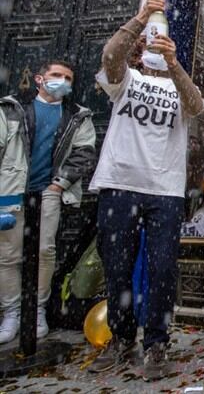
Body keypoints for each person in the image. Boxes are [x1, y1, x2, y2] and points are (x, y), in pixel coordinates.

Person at [87, 0, 204, 381]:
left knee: (162, 270)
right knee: (118, 268)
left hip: (166, 191)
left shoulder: (178, 87)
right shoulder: (124, 80)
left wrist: (173, 61)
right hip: (119, 185)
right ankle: (122, 339)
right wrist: (140, 17)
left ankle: (156, 343)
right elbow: (110, 55)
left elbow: (196, 103)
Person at [0, 60, 97, 344]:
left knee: (44, 251)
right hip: (11, 190)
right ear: (40, 79)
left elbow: (84, 152)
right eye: (57, 75)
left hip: (49, 194)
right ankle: (11, 312)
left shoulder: (77, 116)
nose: (63, 81)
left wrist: (59, 184)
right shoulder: (13, 109)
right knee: (8, 255)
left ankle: (37, 310)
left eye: (68, 78)